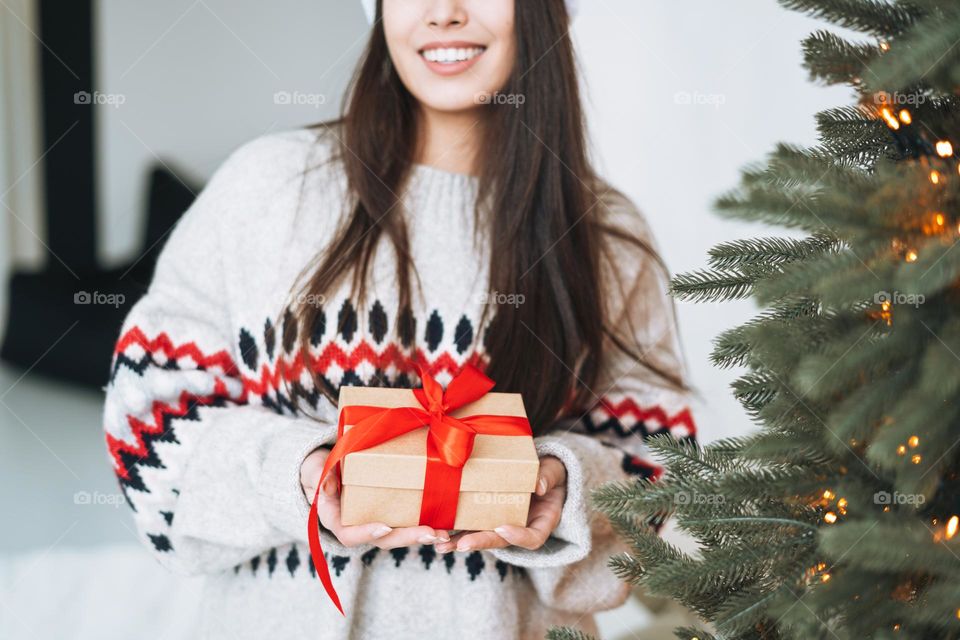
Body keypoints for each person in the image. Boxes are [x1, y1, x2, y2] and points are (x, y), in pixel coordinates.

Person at [102, 1, 699, 638]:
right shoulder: (266, 187)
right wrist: (299, 475)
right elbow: (150, 418)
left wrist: (563, 486)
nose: (443, 14)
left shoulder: (602, 233)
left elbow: (661, 461)